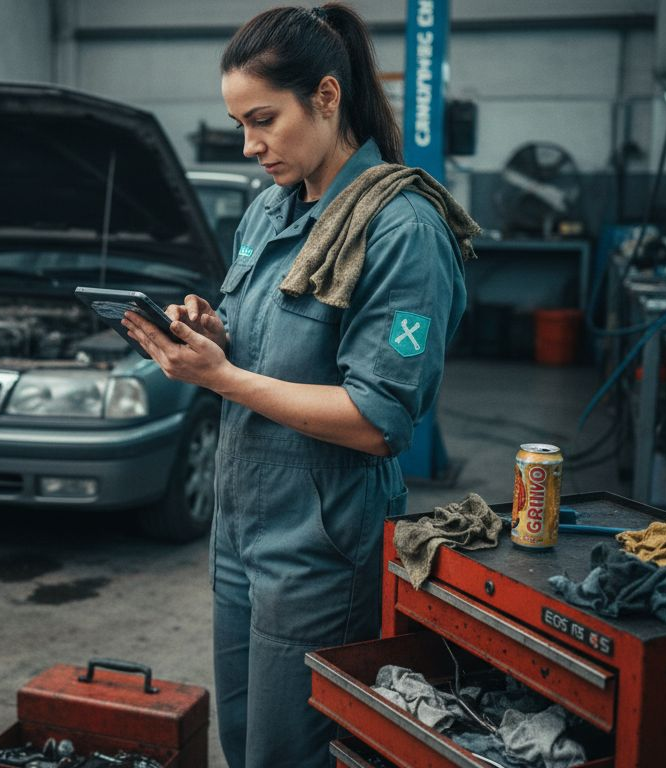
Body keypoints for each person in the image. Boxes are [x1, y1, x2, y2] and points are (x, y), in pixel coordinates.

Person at [121, 4, 470, 765]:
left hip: (321, 545)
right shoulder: (268, 212)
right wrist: (213, 335)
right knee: (244, 739)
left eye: (263, 120)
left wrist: (224, 378)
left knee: (291, 753)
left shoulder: (401, 229)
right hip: (241, 526)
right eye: (239, 124)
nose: (250, 145)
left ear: (326, 97)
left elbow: (377, 421)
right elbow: (266, 349)